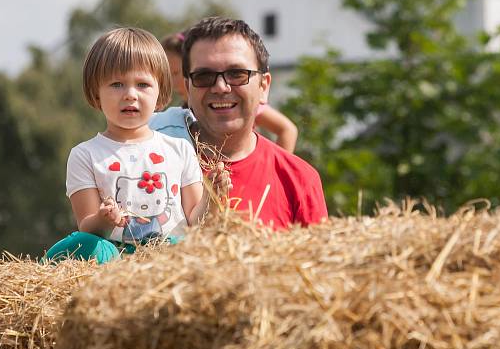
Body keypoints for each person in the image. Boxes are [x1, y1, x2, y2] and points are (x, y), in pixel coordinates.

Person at [45, 27, 206, 264]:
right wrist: (104, 219)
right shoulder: (85, 155)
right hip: (112, 257)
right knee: (82, 244)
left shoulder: (180, 149)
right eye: (117, 84)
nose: (130, 94)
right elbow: (87, 226)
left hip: (171, 259)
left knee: (197, 247)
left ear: (160, 92)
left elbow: (195, 219)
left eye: (142, 84)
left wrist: (214, 195)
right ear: (96, 93)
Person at [151, 16, 327, 229]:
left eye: (237, 74)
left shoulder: (300, 180)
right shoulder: (146, 162)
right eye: (204, 75)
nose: (221, 87)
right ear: (187, 88)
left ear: (264, 86)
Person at [161, 32, 299, 152]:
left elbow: (287, 129)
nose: (172, 82)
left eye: (175, 73)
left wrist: (275, 168)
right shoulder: (175, 116)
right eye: (168, 75)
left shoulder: (239, 104)